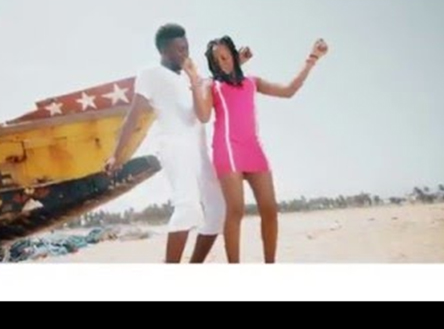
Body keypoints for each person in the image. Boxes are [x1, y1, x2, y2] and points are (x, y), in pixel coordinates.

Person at [105, 24, 252, 263]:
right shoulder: (150, 74)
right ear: (164, 51)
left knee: (219, 210)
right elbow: (133, 116)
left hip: (199, 149)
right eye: (179, 49)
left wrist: (238, 63)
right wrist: (116, 154)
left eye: (186, 47)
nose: (185, 53)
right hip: (173, 146)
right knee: (188, 208)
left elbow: (211, 85)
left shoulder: (190, 77)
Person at [183, 36, 328, 263]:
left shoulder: (252, 82)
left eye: (225, 57)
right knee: (236, 210)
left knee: (270, 209)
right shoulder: (212, 86)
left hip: (252, 148)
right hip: (227, 149)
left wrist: (312, 58)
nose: (222, 63)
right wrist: (193, 79)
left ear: (233, 55)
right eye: (217, 60)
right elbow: (203, 116)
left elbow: (288, 91)